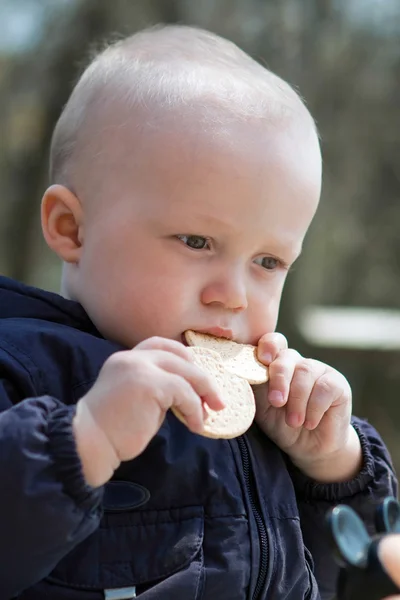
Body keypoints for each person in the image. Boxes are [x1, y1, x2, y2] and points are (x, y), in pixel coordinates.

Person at [0, 24, 396, 600]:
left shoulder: (266, 409)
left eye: (268, 260)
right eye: (195, 242)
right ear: (72, 228)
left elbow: (354, 574)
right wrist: (85, 439)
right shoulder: (27, 367)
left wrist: (332, 465)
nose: (232, 294)